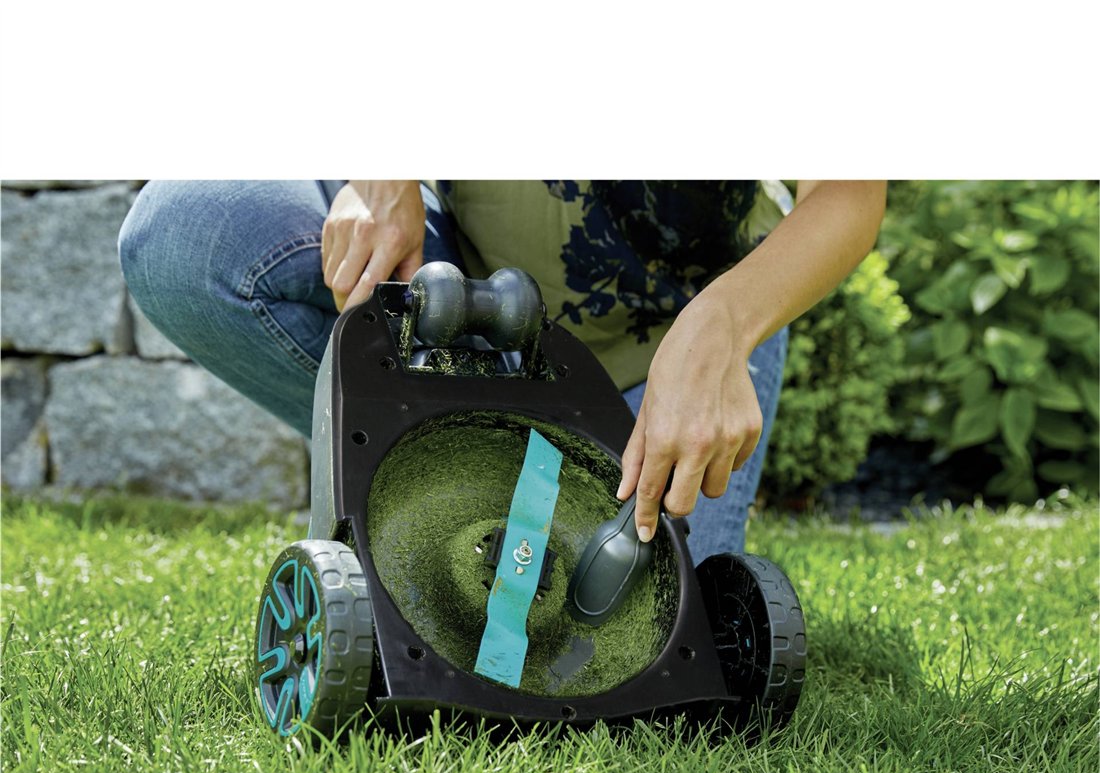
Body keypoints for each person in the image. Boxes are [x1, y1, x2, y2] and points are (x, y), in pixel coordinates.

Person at [118, 180, 885, 559]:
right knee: (186, 233)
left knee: (658, 646)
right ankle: (441, 481)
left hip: (675, 341)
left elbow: (848, 193)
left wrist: (723, 327)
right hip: (458, 275)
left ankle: (484, 494)